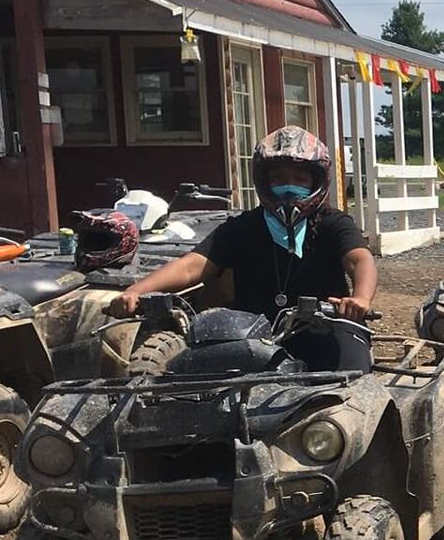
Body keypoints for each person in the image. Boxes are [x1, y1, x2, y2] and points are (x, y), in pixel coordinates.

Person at [111, 125, 377, 370]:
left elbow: (359, 260)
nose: (289, 187)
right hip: (253, 336)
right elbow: (192, 266)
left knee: (351, 381)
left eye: (300, 179)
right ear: (263, 181)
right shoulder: (242, 227)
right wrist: (136, 291)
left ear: (317, 181)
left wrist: (361, 299)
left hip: (329, 328)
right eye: (278, 179)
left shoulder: (333, 223)